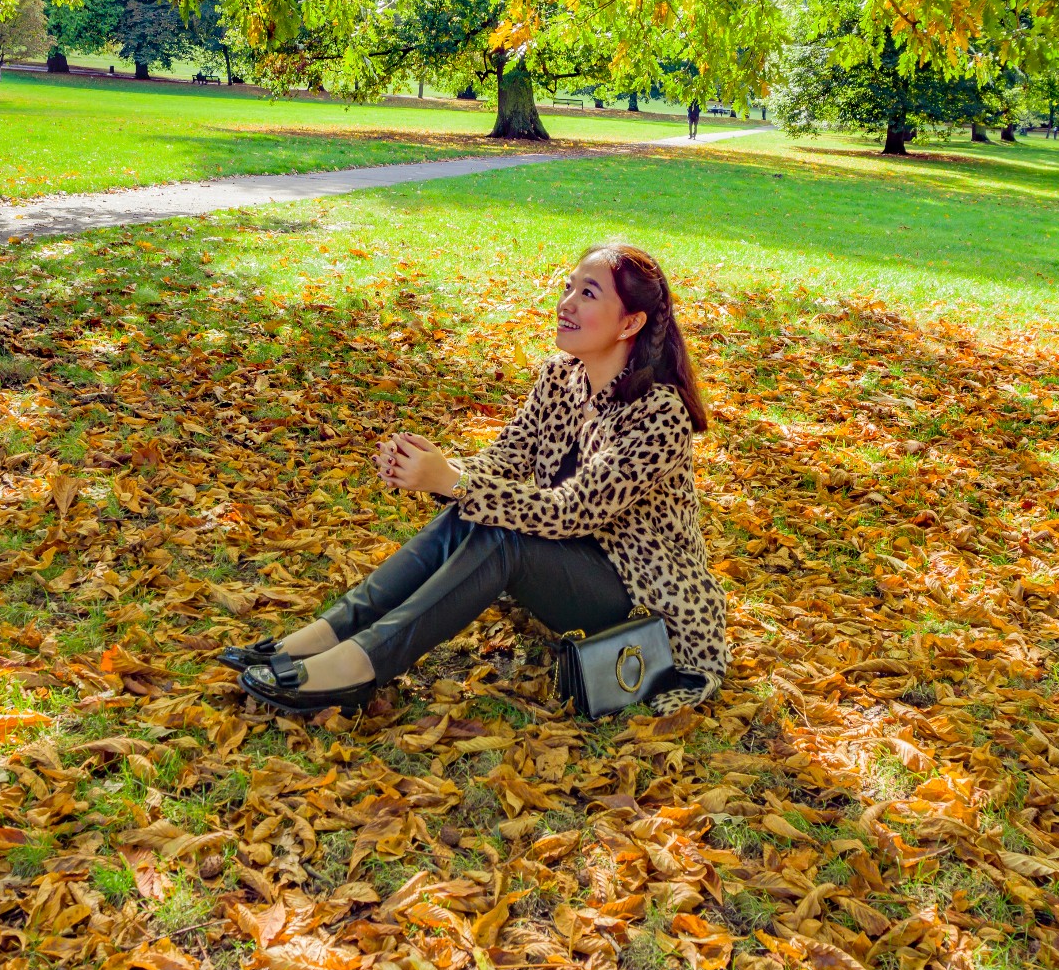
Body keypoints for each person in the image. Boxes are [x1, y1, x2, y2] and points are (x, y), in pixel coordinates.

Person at [228, 244, 728, 716]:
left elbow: (572, 511)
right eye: (569, 287)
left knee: (500, 531)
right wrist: (434, 469)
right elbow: (505, 460)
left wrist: (455, 482)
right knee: (476, 513)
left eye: (588, 294)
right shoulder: (561, 377)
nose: (566, 303)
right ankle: (324, 637)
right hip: (572, 570)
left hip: (642, 601)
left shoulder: (659, 413)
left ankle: (360, 665)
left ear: (631, 323)